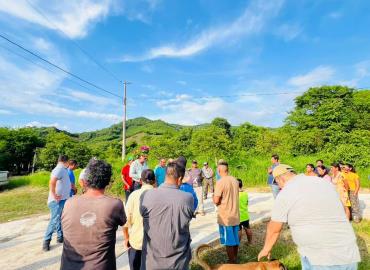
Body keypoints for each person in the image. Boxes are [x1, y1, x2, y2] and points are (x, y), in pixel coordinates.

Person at [258, 164, 361, 269]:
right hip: (348, 250)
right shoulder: (324, 183)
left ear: (281, 178)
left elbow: (274, 228)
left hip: (321, 257)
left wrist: (266, 249)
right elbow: (343, 210)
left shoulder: (286, 192)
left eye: (276, 182)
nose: (278, 186)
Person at [60, 159, 126, 270]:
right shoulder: (114, 204)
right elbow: (123, 222)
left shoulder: (69, 203)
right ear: (108, 182)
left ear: (85, 180)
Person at [140, 161, 194, 270]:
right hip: (179, 263)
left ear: (165, 176)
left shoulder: (146, 195)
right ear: (179, 179)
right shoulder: (188, 198)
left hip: (151, 262)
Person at [123, 169, 155, 270]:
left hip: (136, 242)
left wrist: (126, 238)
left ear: (140, 181)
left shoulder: (133, 195)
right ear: (154, 181)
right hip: (155, 245)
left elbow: (126, 221)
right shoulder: (160, 195)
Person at [42, 155, 71, 251]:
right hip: (56, 201)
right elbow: (52, 182)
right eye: (68, 162)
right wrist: (54, 195)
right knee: (54, 220)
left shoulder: (63, 169)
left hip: (62, 200)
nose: (68, 164)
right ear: (64, 161)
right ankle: (46, 241)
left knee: (59, 218)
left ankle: (60, 236)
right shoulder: (59, 169)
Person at [213, 160, 240, 263]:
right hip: (235, 215)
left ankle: (231, 261)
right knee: (235, 239)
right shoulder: (235, 180)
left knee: (229, 241)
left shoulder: (220, 182)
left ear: (219, 170)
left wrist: (213, 198)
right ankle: (235, 258)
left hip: (226, 217)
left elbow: (216, 201)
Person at [237, 179, 252, 244]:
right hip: (245, 215)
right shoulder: (245, 193)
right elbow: (247, 203)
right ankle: (250, 242)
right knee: (247, 228)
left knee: (239, 230)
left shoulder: (235, 195)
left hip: (238, 216)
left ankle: (237, 244)